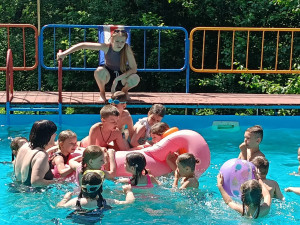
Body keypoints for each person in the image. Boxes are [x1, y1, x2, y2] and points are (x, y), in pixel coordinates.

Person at [57, 28, 140, 102]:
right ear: (112, 40)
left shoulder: (126, 48)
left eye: (122, 42)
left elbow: (134, 69)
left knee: (135, 78)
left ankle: (124, 91)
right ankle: (102, 94)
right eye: (117, 41)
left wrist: (118, 79)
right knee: (99, 71)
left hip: (122, 77)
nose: (119, 44)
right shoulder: (106, 47)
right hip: (108, 76)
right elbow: (83, 45)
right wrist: (64, 53)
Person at [57, 171, 135, 210]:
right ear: (100, 188)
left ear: (82, 188)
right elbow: (128, 203)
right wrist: (128, 192)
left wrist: (65, 198)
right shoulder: (107, 202)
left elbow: (59, 207)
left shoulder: (76, 202)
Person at [14, 120, 57, 187]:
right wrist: (58, 182)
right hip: (32, 195)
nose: (55, 135)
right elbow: (36, 182)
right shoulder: (41, 155)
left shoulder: (24, 147)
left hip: (17, 188)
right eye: (54, 133)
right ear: (49, 136)